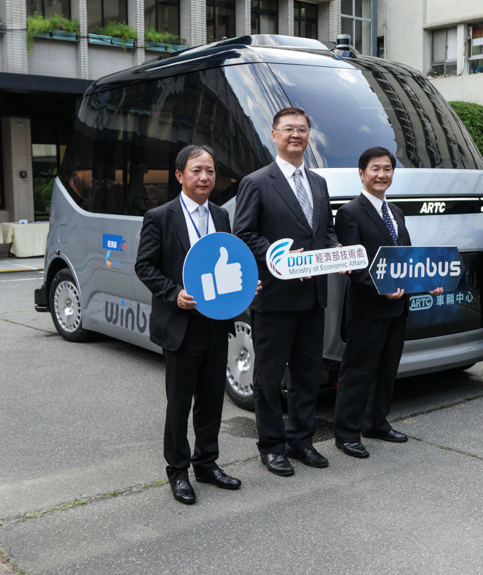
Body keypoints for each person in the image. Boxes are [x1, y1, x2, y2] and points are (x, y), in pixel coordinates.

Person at [134, 145, 248, 505]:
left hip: (216, 323)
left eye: (210, 171)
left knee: (212, 401)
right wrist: (174, 294)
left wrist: (245, 287)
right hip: (181, 325)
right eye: (197, 170)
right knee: (180, 404)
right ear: (180, 175)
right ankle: (178, 471)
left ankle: (207, 463)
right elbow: (145, 265)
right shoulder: (160, 216)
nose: (204, 177)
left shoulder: (221, 215)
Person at [234, 107, 339, 476]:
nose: (296, 135)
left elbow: (325, 231)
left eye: (303, 129)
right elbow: (244, 234)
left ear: (309, 136)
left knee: (308, 375)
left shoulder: (319, 183)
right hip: (275, 297)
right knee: (269, 378)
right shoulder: (256, 182)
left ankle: (301, 441)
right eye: (289, 129)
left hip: (313, 298)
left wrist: (335, 250)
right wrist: (282, 257)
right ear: (274, 134)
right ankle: (271, 447)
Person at [332, 147, 442, 458]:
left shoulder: (396, 212)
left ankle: (376, 423)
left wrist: (426, 284)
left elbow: (407, 259)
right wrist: (381, 288)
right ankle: (347, 434)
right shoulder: (349, 213)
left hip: (397, 307)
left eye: (387, 169)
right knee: (358, 371)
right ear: (361, 173)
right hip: (367, 307)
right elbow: (353, 265)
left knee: (386, 369)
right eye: (375, 169)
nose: (382, 175)